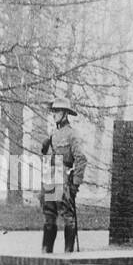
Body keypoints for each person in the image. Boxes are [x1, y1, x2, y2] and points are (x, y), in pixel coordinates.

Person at [40, 97, 87, 254]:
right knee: (49, 215)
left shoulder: (73, 135)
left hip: (64, 178)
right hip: (52, 177)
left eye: (57, 111)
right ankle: (46, 252)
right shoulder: (53, 135)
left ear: (65, 114)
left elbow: (81, 159)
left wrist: (75, 183)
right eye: (53, 111)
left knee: (67, 215)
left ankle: (68, 253)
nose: (54, 114)